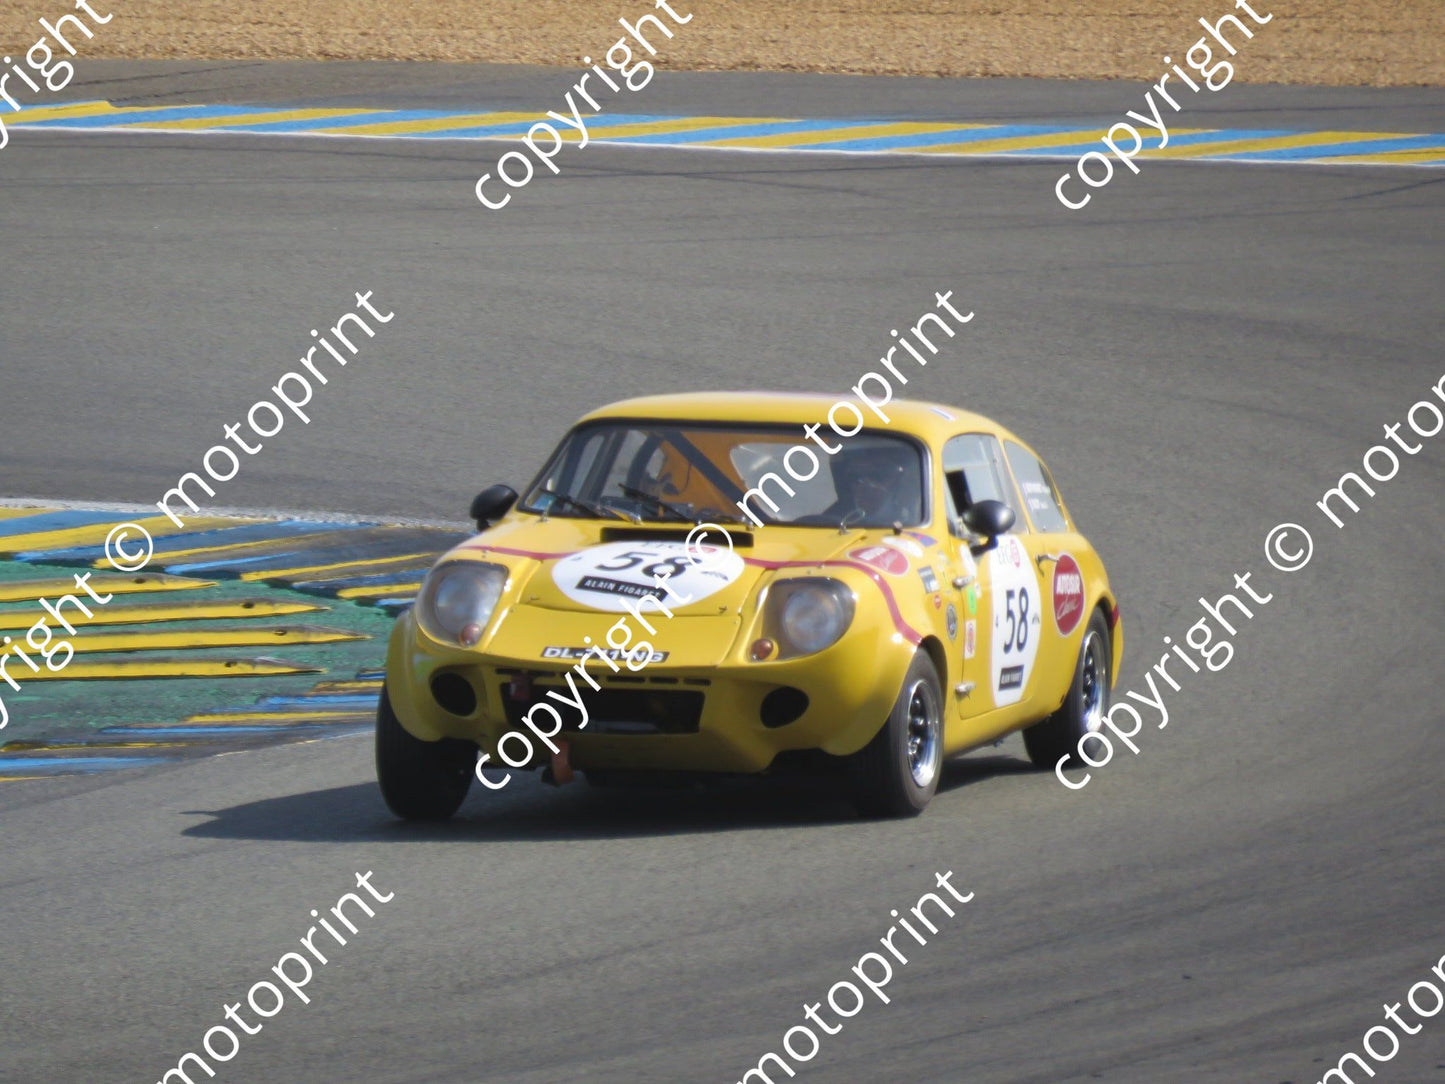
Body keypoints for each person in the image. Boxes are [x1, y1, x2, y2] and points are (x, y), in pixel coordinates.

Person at [824, 443, 922, 525]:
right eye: (856, 477)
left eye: (878, 475)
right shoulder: (829, 520)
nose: (866, 484)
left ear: (896, 478)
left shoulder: (914, 520)